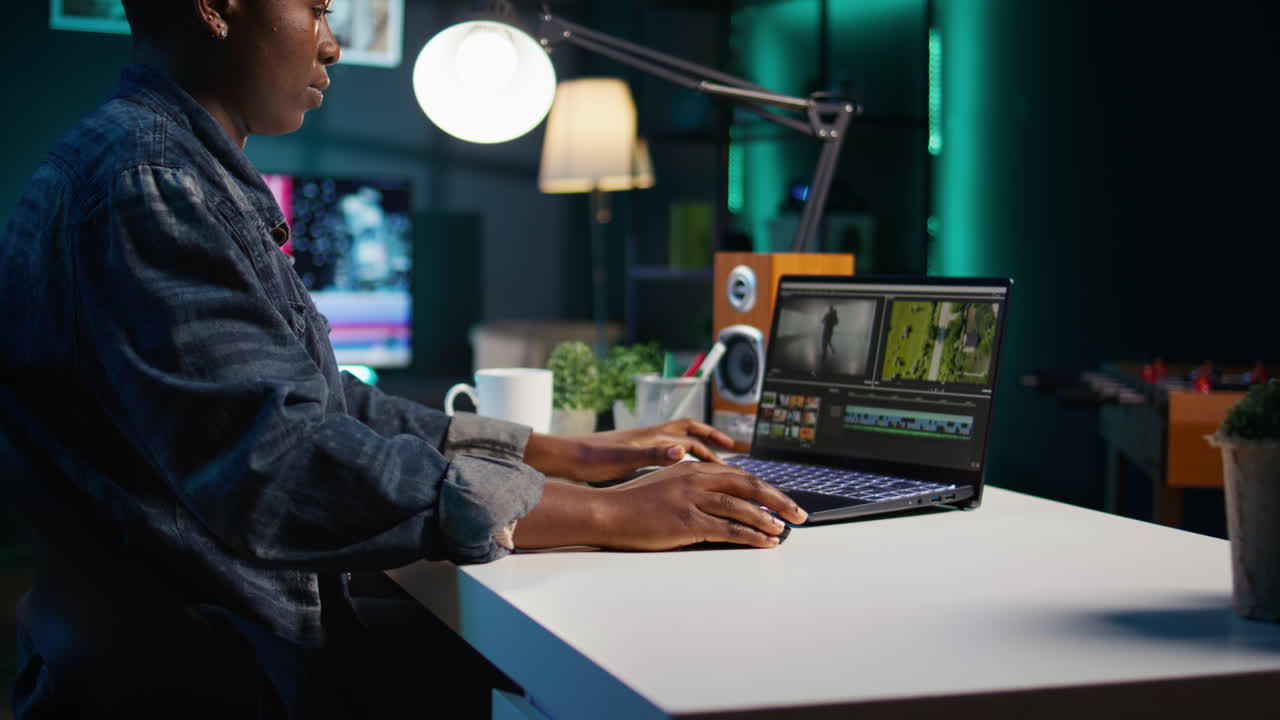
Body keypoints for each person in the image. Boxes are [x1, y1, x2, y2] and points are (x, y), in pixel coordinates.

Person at [0, 1, 806, 717]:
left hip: (214, 646)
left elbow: (329, 405)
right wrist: (608, 514)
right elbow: (282, 463)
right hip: (216, 677)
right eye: (316, 8)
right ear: (216, 7)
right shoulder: (152, 183)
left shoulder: (161, 164)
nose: (331, 43)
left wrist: (572, 454)